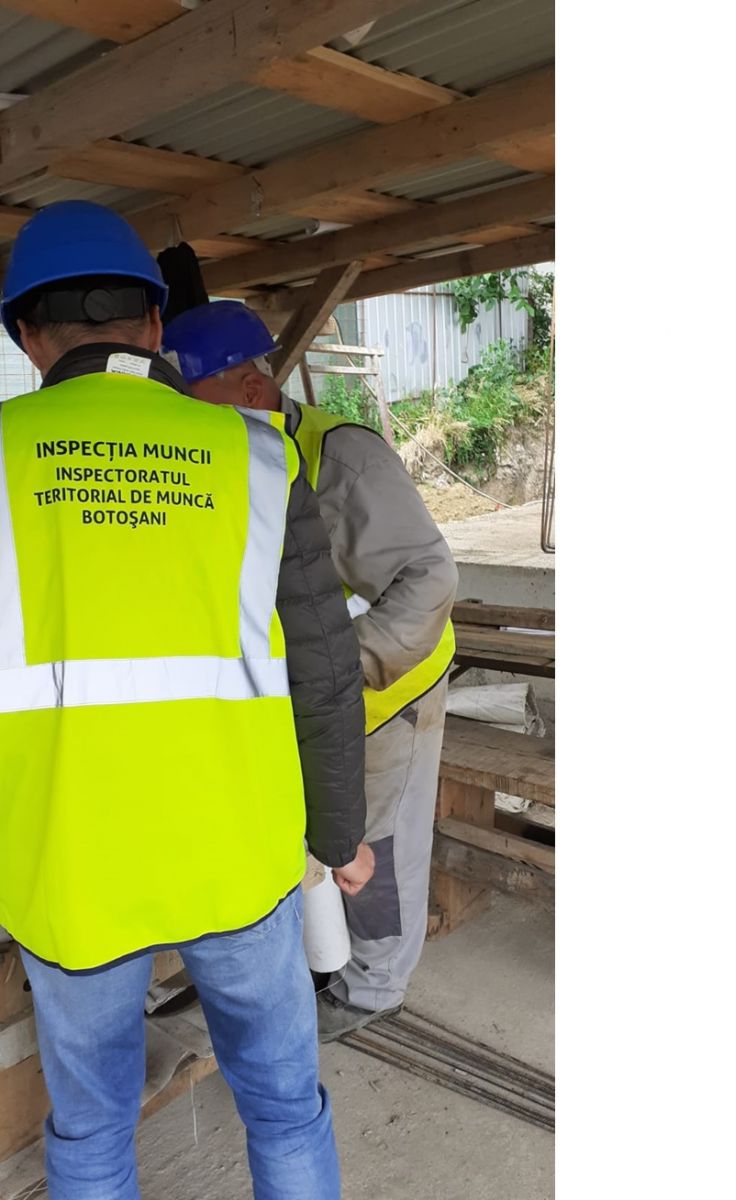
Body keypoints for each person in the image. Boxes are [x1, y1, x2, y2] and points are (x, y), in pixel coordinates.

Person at [0, 202, 374, 1200]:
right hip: (237, 855)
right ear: (157, 323)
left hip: (67, 867)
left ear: (27, 336)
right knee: (284, 1107)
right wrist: (338, 836)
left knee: (91, 1132)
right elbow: (324, 670)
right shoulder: (257, 456)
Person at [163, 300, 459, 1038]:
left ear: (250, 389)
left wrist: (337, 672)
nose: (178, 424)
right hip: (298, 699)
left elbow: (428, 578)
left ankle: (373, 988)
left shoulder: (343, 459)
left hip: (384, 691)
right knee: (312, 834)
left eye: (189, 404)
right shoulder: (217, 460)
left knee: (376, 840)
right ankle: (315, 960)